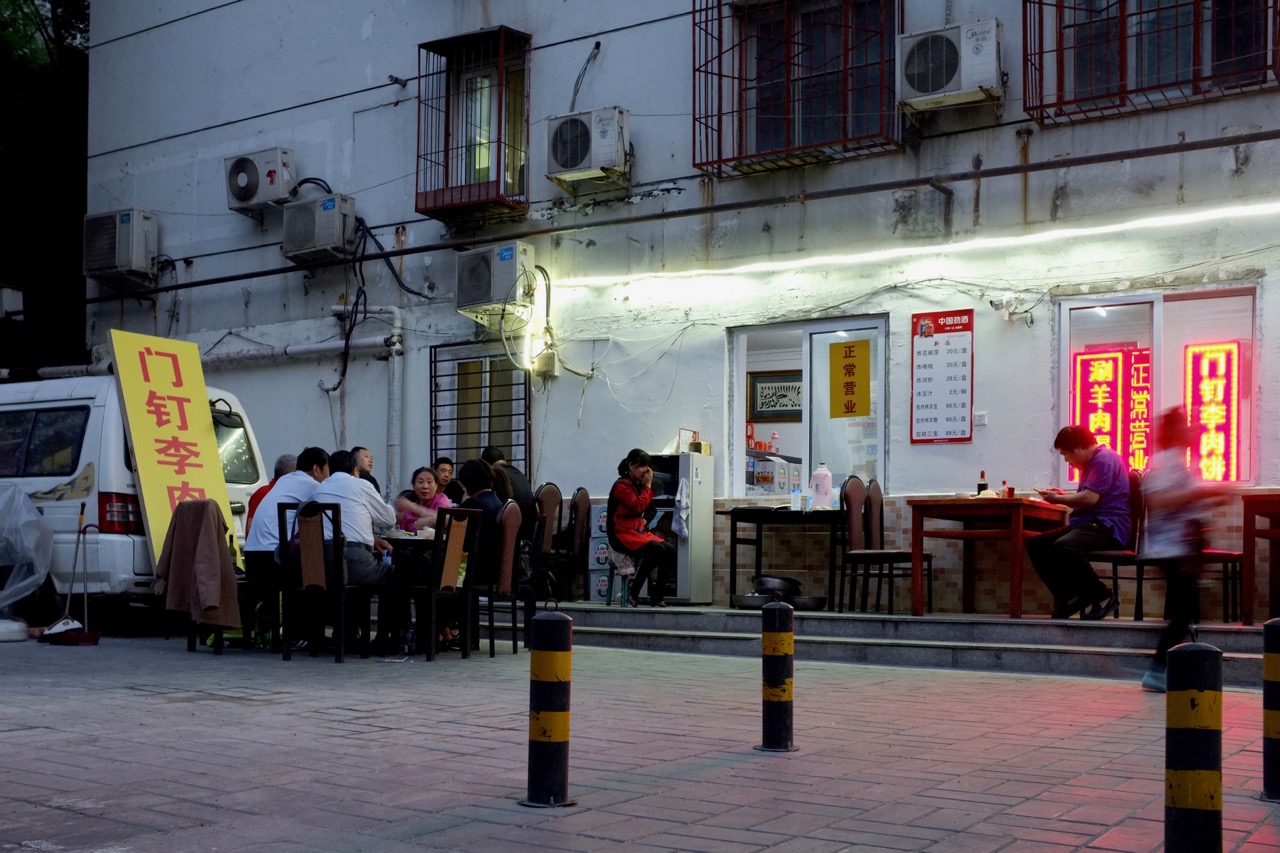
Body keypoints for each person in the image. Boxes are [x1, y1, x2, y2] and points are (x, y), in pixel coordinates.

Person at [1138, 408, 1233, 693]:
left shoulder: (1180, 462)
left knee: (1185, 610)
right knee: (1183, 611)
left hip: (1182, 547)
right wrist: (1199, 494)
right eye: (1185, 426)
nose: (1192, 430)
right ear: (1174, 431)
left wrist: (1212, 499)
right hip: (1170, 548)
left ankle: (1173, 667)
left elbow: (1187, 502)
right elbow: (1159, 501)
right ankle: (1158, 670)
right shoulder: (1165, 462)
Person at [1028, 425, 1131, 620]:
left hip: (1107, 526)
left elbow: (1090, 499)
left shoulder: (1104, 459)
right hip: (1089, 525)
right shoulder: (1092, 463)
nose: (1066, 460)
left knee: (1065, 546)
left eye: (1065, 454)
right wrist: (1064, 495)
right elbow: (1087, 497)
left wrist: (1058, 499)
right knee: (1037, 544)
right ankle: (1072, 597)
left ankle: (1103, 597)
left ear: (1078, 448)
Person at [312, 450, 396, 588]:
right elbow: (388, 519)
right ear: (354, 470)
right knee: (395, 575)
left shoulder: (319, 489)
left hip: (325, 565)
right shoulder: (362, 485)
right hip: (356, 562)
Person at [243, 447, 330, 579]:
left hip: (251, 556)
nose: (328, 477)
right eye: (328, 471)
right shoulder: (313, 486)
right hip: (274, 558)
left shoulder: (284, 480)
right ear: (316, 469)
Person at [607, 448, 676, 607]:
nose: (646, 470)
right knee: (657, 550)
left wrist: (645, 521)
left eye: (647, 466)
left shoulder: (638, 485)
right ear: (631, 465)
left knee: (670, 551)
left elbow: (651, 508)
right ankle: (634, 592)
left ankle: (657, 597)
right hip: (620, 534)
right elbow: (637, 506)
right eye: (642, 466)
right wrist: (648, 486)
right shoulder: (621, 486)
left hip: (637, 531)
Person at [481, 446, 536, 543]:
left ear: (487, 466)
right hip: (529, 535)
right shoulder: (519, 474)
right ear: (504, 460)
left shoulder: (496, 476)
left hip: (512, 537)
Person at [246, 453, 297, 535]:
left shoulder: (270, 492)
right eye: (296, 475)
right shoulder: (263, 494)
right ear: (287, 476)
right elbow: (252, 528)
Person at [394, 466, 452, 532]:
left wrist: (414, 508)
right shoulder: (408, 509)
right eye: (420, 482)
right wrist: (399, 518)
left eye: (429, 482)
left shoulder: (441, 499)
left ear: (436, 486)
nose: (425, 486)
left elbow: (444, 518)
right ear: (413, 486)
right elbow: (400, 533)